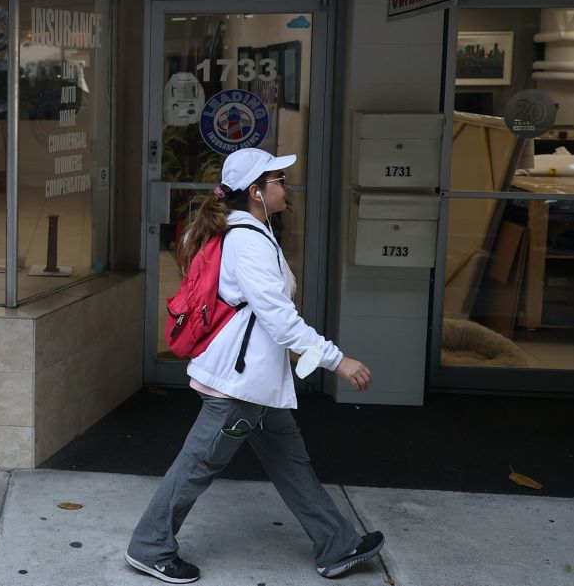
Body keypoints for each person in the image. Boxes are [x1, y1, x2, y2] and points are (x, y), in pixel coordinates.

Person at [124, 148, 384, 583]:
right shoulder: (246, 240)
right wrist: (337, 361)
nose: (286, 186)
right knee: (198, 464)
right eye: (278, 179)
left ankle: (337, 545)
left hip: (258, 383)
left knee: (290, 463)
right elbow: (279, 318)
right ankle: (149, 546)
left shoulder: (251, 229)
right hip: (238, 387)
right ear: (257, 192)